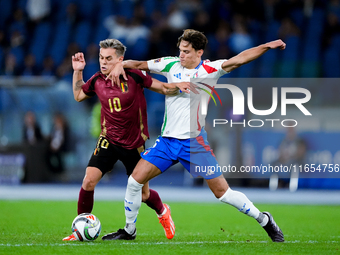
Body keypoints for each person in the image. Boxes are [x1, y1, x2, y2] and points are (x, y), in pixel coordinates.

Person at [103, 29, 286, 242]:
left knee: (223, 194)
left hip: (194, 143)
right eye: (180, 50)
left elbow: (239, 59)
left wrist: (266, 46)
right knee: (134, 181)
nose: (181, 55)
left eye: (187, 52)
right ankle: (129, 231)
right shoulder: (170, 64)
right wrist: (119, 65)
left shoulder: (210, 69)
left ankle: (264, 219)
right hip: (167, 142)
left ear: (199, 52)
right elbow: (139, 64)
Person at [63, 38, 190, 241]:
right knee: (88, 181)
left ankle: (163, 211)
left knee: (143, 194)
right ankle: (80, 228)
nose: (103, 62)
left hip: (134, 144)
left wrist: (179, 86)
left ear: (120, 59)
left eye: (108, 58)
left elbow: (163, 88)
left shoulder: (134, 76)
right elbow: (78, 95)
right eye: (101, 58)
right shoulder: (97, 80)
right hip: (108, 139)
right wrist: (78, 70)